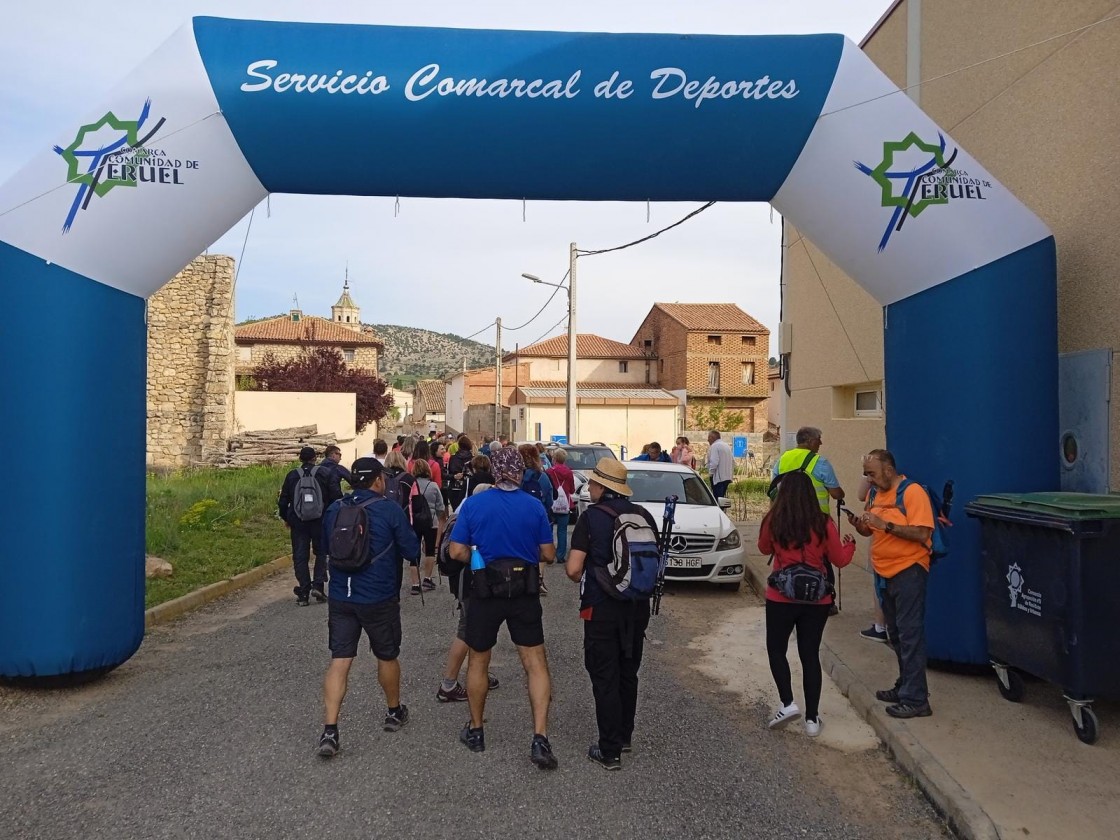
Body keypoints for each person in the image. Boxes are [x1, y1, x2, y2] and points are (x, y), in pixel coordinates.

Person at [447, 446, 559, 769]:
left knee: (479, 660)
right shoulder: (534, 506)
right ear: (520, 473)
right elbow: (548, 554)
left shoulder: (475, 504)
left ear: (495, 473)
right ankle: (540, 737)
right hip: (524, 592)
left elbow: (455, 551)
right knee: (535, 663)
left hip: (485, 591)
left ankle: (477, 731)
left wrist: (480, 560)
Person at [315, 458, 421, 758]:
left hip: (340, 596)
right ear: (377, 481)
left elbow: (324, 547)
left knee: (340, 659)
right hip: (378, 595)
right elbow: (411, 549)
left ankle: (330, 729)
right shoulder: (389, 510)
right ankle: (393, 711)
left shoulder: (335, 509)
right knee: (387, 655)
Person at [565, 458, 660, 770]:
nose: (589, 487)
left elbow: (573, 569)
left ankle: (609, 750)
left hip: (601, 607)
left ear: (602, 487)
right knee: (627, 671)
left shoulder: (592, 518)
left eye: (592, 483)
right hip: (637, 607)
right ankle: (624, 736)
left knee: (604, 675)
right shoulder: (643, 514)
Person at [759, 470, 856, 737]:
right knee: (810, 654)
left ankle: (788, 703)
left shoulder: (775, 519)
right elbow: (839, 560)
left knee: (776, 649)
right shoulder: (823, 522)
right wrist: (851, 546)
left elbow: (764, 548)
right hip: (817, 599)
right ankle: (812, 719)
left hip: (781, 596)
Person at [846, 449, 934, 719]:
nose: (868, 480)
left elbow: (922, 532)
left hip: (909, 570)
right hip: (884, 573)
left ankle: (917, 699)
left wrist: (886, 525)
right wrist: (861, 525)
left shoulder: (912, 492)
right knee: (895, 634)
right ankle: (906, 684)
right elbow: (871, 529)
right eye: (865, 474)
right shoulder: (875, 494)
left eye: (871, 473)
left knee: (910, 635)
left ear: (888, 469)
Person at [436, 483, 501, 703]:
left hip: (462, 582)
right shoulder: (475, 520)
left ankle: (479, 672)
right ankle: (448, 684)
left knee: (478, 630)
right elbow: (464, 553)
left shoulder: (462, 514)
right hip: (471, 582)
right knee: (466, 632)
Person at [278, 446, 330, 606]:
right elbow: (335, 496)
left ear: (300, 459)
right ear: (315, 458)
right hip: (320, 521)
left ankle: (304, 591)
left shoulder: (292, 475)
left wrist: (286, 517)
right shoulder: (323, 473)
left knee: (300, 556)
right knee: (321, 553)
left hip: (298, 521)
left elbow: (283, 501)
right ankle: (318, 586)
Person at [771, 426, 845, 514]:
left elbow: (773, 490)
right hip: (816, 518)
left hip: (788, 517)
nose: (820, 443)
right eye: (819, 439)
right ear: (810, 441)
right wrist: (841, 494)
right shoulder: (820, 462)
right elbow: (836, 494)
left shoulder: (782, 459)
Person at [855, 454, 889, 643]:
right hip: (879, 538)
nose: (869, 478)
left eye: (871, 473)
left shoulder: (879, 490)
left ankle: (880, 626)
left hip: (880, 542)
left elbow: (860, 494)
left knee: (879, 585)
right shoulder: (881, 488)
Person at [405, 459, 446, 594]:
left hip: (414, 522)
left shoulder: (410, 485)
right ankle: (427, 579)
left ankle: (415, 584)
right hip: (431, 522)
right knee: (429, 551)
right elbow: (441, 507)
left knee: (414, 553)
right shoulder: (433, 486)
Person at [520, 443, 556, 596]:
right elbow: (550, 500)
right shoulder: (543, 477)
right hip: (539, 519)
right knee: (540, 549)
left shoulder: (517, 476)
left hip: (519, 520)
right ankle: (539, 577)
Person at [546, 447, 576, 563]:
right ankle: (560, 556)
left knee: (549, 530)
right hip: (565, 505)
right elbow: (572, 490)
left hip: (552, 504)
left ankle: (549, 555)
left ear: (554, 458)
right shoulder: (569, 472)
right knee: (562, 531)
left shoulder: (549, 472)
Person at [447, 436, 475, 510]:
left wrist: (454, 476)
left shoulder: (453, 458)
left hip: (455, 487)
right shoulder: (473, 459)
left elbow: (450, 471)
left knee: (456, 512)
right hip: (468, 487)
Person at [707, 431, 734, 499]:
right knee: (722, 499)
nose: (708, 440)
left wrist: (711, 473)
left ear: (712, 438)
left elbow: (714, 462)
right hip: (727, 477)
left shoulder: (715, 446)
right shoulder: (726, 445)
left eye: (708, 438)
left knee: (717, 499)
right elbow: (732, 461)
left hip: (718, 478)